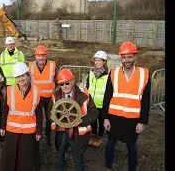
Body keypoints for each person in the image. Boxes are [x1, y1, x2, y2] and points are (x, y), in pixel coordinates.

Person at [103, 42, 151, 171]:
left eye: (130, 57)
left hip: (132, 118)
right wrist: (105, 118)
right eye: (124, 57)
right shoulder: (113, 72)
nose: (127, 60)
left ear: (135, 57)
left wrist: (142, 121)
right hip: (114, 117)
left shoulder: (144, 74)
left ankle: (132, 168)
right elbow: (107, 97)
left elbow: (146, 100)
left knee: (131, 147)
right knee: (110, 144)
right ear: (120, 58)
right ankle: (108, 166)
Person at [49, 69, 98, 171]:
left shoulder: (84, 94)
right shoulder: (55, 95)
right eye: (61, 84)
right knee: (60, 155)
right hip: (61, 131)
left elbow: (94, 112)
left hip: (77, 132)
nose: (65, 86)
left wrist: (83, 121)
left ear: (73, 81)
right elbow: (49, 112)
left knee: (78, 156)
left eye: (67, 83)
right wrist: (52, 117)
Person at [0, 62, 43, 171]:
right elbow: (5, 110)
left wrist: (39, 131)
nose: (21, 79)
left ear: (28, 75)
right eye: (18, 77)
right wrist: (2, 126)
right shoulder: (10, 90)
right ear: (15, 78)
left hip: (29, 131)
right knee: (10, 157)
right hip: (12, 130)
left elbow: (39, 114)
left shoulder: (36, 91)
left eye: (23, 75)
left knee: (27, 158)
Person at [28, 45, 58, 146]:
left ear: (46, 55)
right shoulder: (30, 66)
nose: (41, 58)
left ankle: (48, 137)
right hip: (36, 98)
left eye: (43, 56)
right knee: (37, 118)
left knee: (49, 118)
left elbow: (58, 81)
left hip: (49, 98)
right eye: (38, 56)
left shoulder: (53, 65)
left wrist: (57, 95)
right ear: (35, 56)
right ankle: (37, 135)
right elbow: (27, 82)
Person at [85, 50, 109, 148]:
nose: (97, 62)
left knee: (101, 121)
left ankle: (99, 138)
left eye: (100, 60)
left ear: (104, 62)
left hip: (102, 104)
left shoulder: (108, 75)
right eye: (96, 60)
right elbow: (87, 85)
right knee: (93, 121)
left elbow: (109, 90)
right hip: (92, 103)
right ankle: (93, 136)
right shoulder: (91, 73)